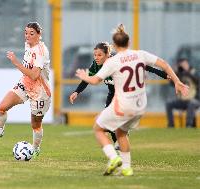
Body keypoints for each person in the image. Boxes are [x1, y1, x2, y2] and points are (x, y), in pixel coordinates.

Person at [75, 24, 189, 176]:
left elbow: (95, 81)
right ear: (129, 43)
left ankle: (113, 158)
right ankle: (127, 168)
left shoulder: (112, 62)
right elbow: (164, 64)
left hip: (123, 103)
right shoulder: (140, 54)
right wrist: (177, 81)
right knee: (121, 132)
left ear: (114, 46)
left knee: (98, 128)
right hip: (140, 105)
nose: (96, 58)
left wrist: (85, 76)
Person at [69, 42, 169, 149]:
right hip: (113, 94)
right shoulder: (96, 65)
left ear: (107, 54)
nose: (96, 58)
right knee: (109, 120)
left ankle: (120, 140)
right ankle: (118, 143)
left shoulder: (117, 61)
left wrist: (163, 74)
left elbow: (146, 67)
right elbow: (88, 79)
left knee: (109, 121)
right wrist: (77, 92)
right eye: (95, 55)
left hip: (125, 95)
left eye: (99, 55)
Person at [0, 22, 51, 158]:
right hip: (25, 84)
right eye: (26, 33)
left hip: (40, 92)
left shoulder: (41, 51)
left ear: (39, 34)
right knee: (2, 107)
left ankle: (35, 149)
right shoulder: (28, 45)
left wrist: (16, 62)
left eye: (31, 33)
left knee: (35, 124)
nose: (27, 36)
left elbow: (35, 75)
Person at [166, 58, 199, 128]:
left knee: (192, 103)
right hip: (182, 100)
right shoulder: (180, 74)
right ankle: (171, 125)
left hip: (194, 100)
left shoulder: (194, 72)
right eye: (182, 65)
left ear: (188, 64)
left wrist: (187, 72)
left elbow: (197, 81)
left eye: (185, 64)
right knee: (169, 103)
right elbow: (172, 83)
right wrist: (175, 73)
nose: (183, 66)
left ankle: (188, 125)